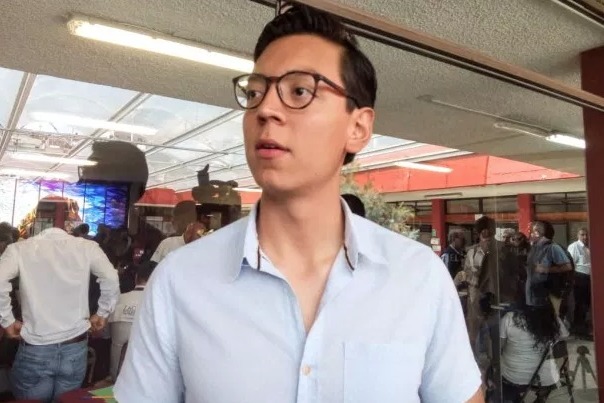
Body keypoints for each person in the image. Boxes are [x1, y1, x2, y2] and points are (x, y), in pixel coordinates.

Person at [115, 4, 482, 403]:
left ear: (358, 128)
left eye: (300, 91)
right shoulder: (180, 281)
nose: (265, 110)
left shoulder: (418, 277)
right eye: (255, 93)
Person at [0, 220, 120, 402]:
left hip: (36, 347)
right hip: (75, 347)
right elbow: (111, 278)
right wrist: (102, 313)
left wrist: (7, 321)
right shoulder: (87, 247)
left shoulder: (19, 249)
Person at [500, 296, 569, 402]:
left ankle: (516, 399)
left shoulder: (509, 318)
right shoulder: (550, 319)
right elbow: (564, 335)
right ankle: (541, 397)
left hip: (513, 376)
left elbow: (500, 346)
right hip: (546, 378)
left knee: (497, 375)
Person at [109, 261, 156, 381]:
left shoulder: (117, 300)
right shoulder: (161, 305)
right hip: (146, 380)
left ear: (136, 278)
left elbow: (104, 334)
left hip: (116, 379)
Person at [526, 221, 573, 315]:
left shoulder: (553, 247)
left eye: (533, 231)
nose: (531, 234)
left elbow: (567, 267)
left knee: (549, 320)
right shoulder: (534, 248)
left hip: (548, 296)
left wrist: (546, 269)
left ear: (539, 233)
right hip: (533, 295)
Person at [568, 227, 591, 336]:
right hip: (579, 277)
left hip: (588, 278)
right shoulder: (574, 246)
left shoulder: (587, 248)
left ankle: (582, 326)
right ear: (577, 235)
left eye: (586, 235)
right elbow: (570, 264)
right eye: (582, 234)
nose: (585, 237)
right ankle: (578, 328)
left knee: (586, 303)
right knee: (580, 304)